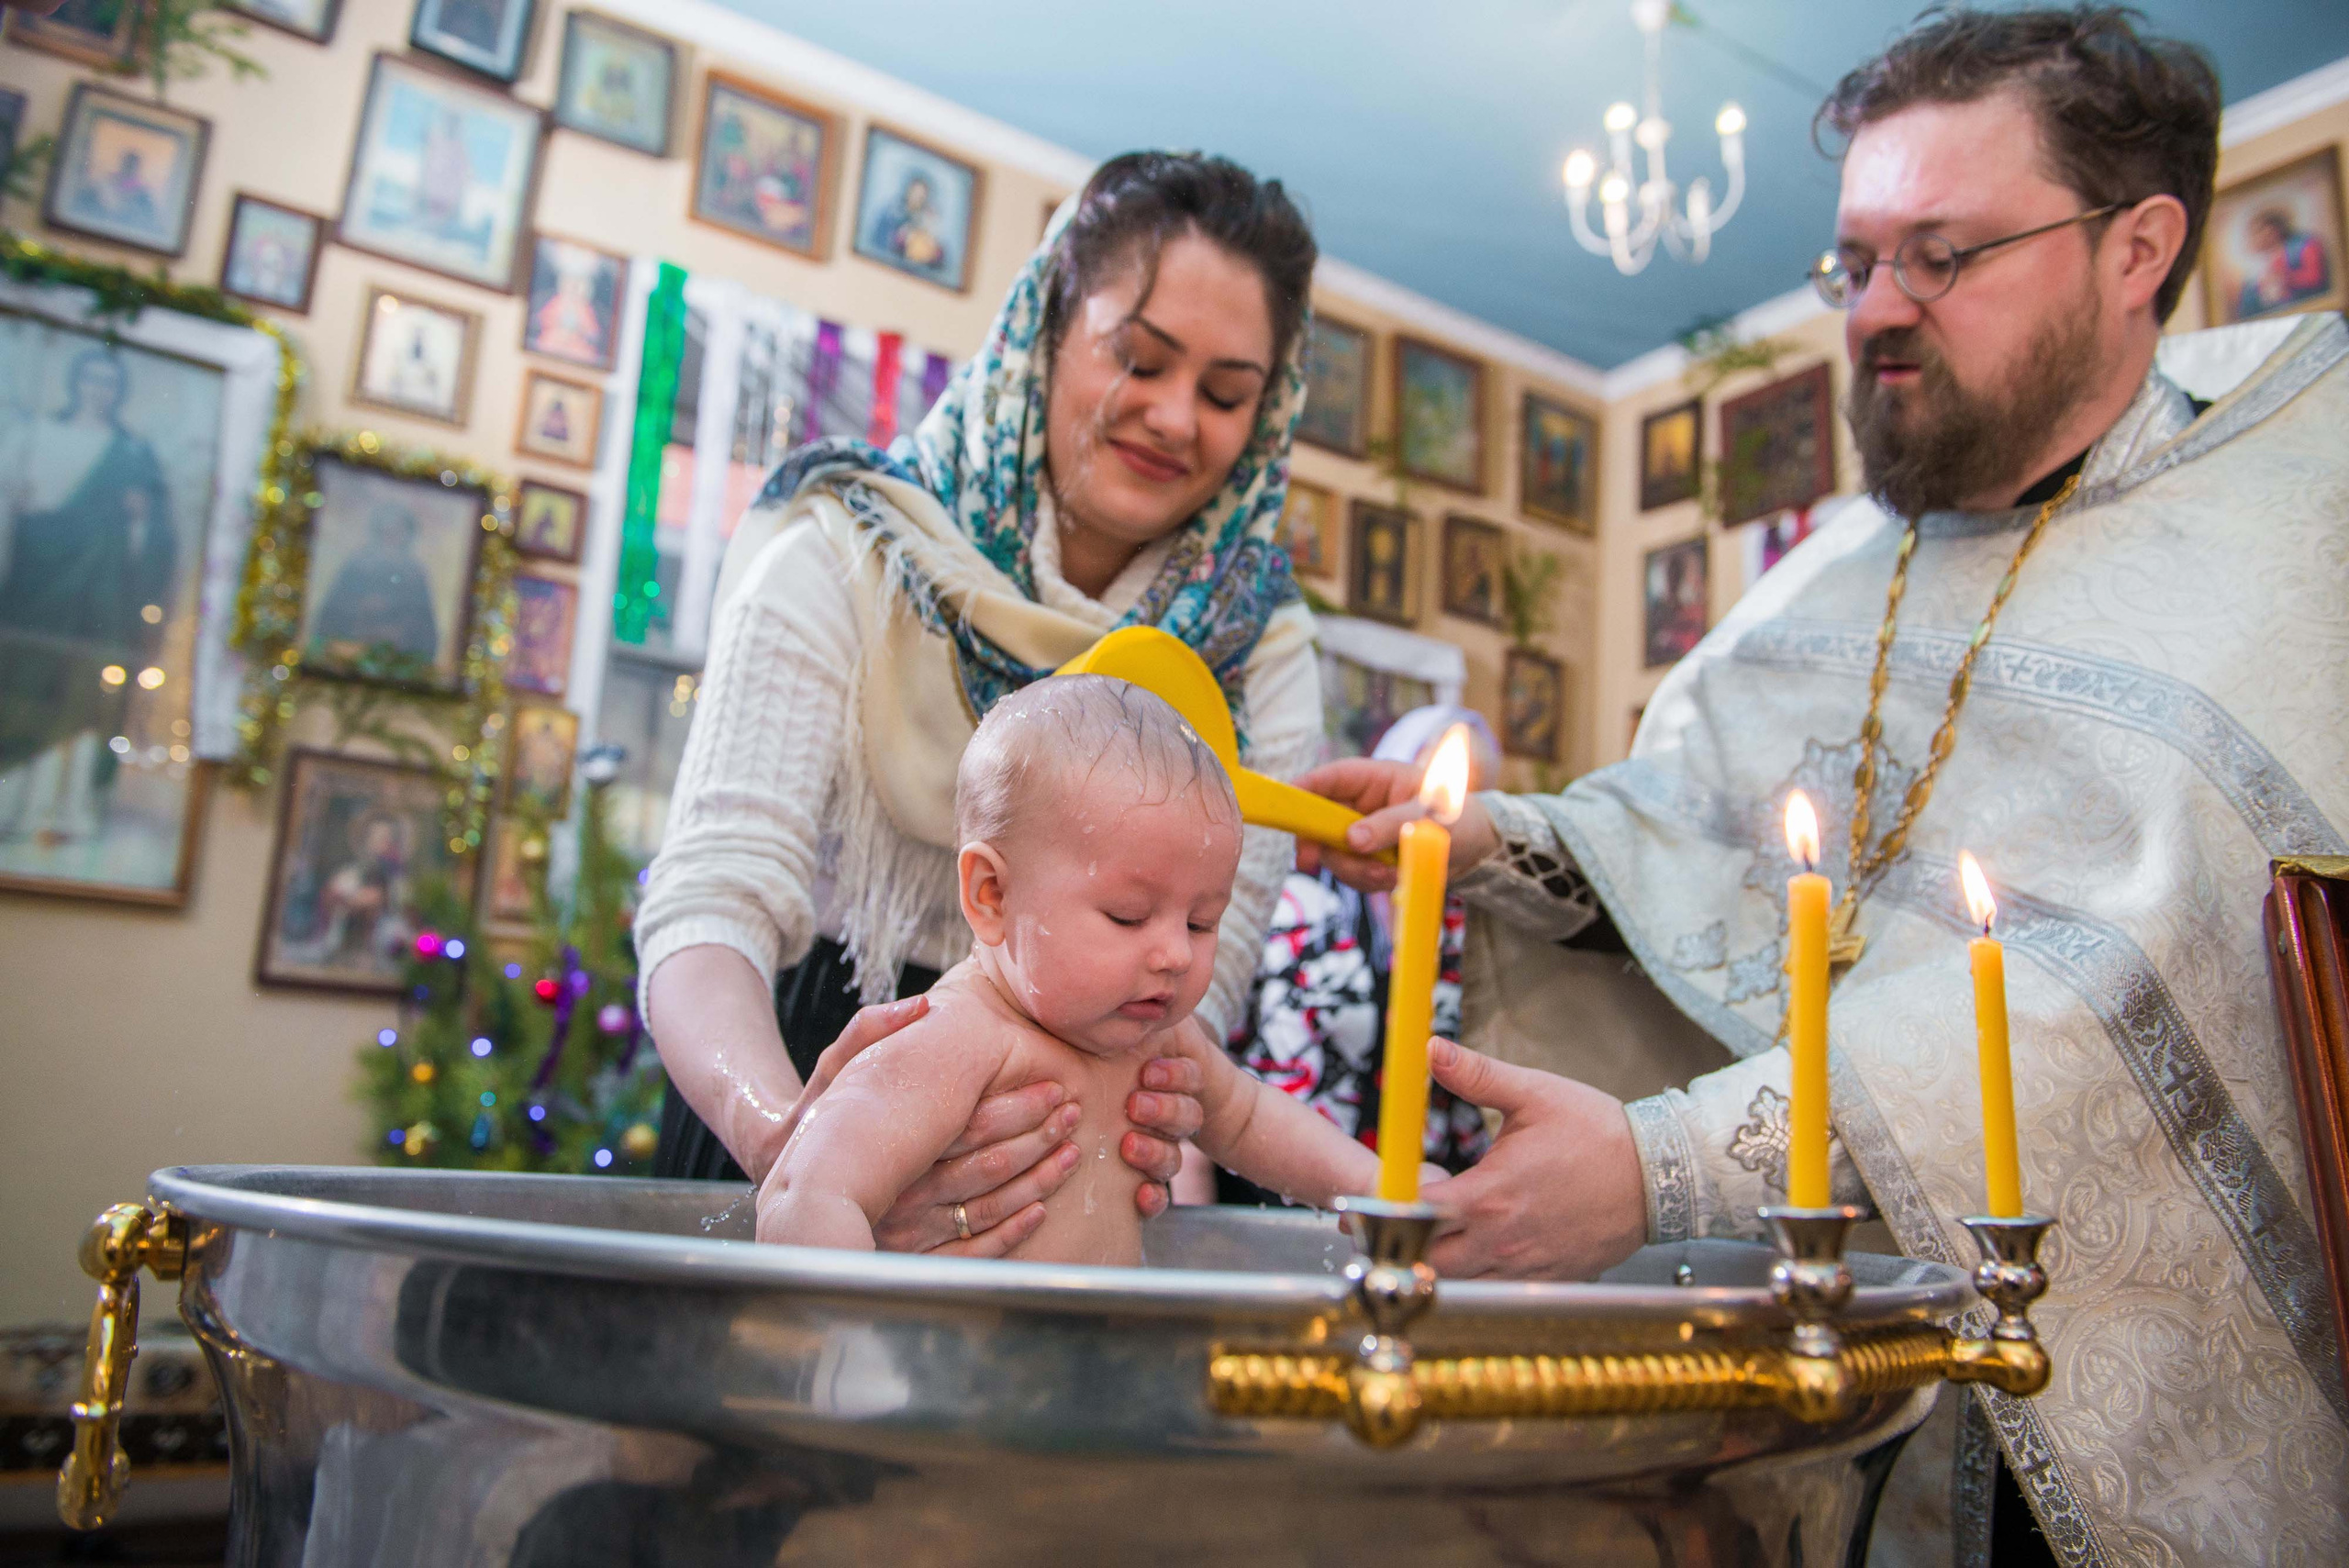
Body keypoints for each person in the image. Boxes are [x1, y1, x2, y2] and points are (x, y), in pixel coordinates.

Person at [1297, 10, 2347, 1565]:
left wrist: (1668, 1167)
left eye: (1942, 254)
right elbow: (1689, 824)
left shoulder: (2287, 535)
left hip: (2073, 1399)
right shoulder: (1832, 570)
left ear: (2139, 248)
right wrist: (1506, 841)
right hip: (1793, 1385)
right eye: (1854, 262)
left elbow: (2135, 973)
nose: (1876, 313)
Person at [637, 152, 1324, 1261]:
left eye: (1226, 392)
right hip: (806, 1071)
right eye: (1138, 359)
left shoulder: (1261, 648)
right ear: (1047, 328)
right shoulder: (849, 548)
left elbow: (1206, 965)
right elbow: (711, 898)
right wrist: (796, 1141)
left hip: (1067, 1145)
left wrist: (1141, 1121)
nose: (1171, 416)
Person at [763, 676, 1385, 1259]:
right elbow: (804, 1191)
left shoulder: (1158, 1039)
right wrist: (850, 1344)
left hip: (1097, 1363)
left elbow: (1249, 1117)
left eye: (1201, 921)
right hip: (948, 1368)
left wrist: (1376, 1185)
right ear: (992, 895)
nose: (1176, 953)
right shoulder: (955, 1039)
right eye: (1127, 915)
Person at [1215, 705, 1496, 1207]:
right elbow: (1220, 1052)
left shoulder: (1471, 929)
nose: (1440, 818)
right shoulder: (1295, 899)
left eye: (1471, 796)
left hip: (1422, 1194)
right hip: (1279, 1193)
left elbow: (1468, 1079)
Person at [0, 347, 174, 843]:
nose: (98, 390)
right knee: (19, 690)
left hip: (97, 596)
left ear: (118, 393)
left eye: (109, 383)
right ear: (76, 381)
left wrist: (141, 517)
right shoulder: (37, 435)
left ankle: (61, 811)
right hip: (34, 589)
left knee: (80, 697)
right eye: (91, 379)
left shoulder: (132, 453)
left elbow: (156, 531)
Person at [306, 502, 440, 670]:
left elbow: (425, 630)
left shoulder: (415, 575)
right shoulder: (356, 566)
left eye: (397, 532)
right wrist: (361, 611)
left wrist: (399, 631)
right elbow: (330, 617)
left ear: (407, 535)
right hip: (350, 651)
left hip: (396, 659)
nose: (391, 537)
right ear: (377, 532)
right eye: (386, 531)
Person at [2238, 206, 2333, 318]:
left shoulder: (2305, 245)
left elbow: (2315, 277)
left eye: (2258, 231)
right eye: (2252, 234)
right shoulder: (2259, 268)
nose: (2255, 238)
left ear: (2272, 229)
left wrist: (2284, 280)